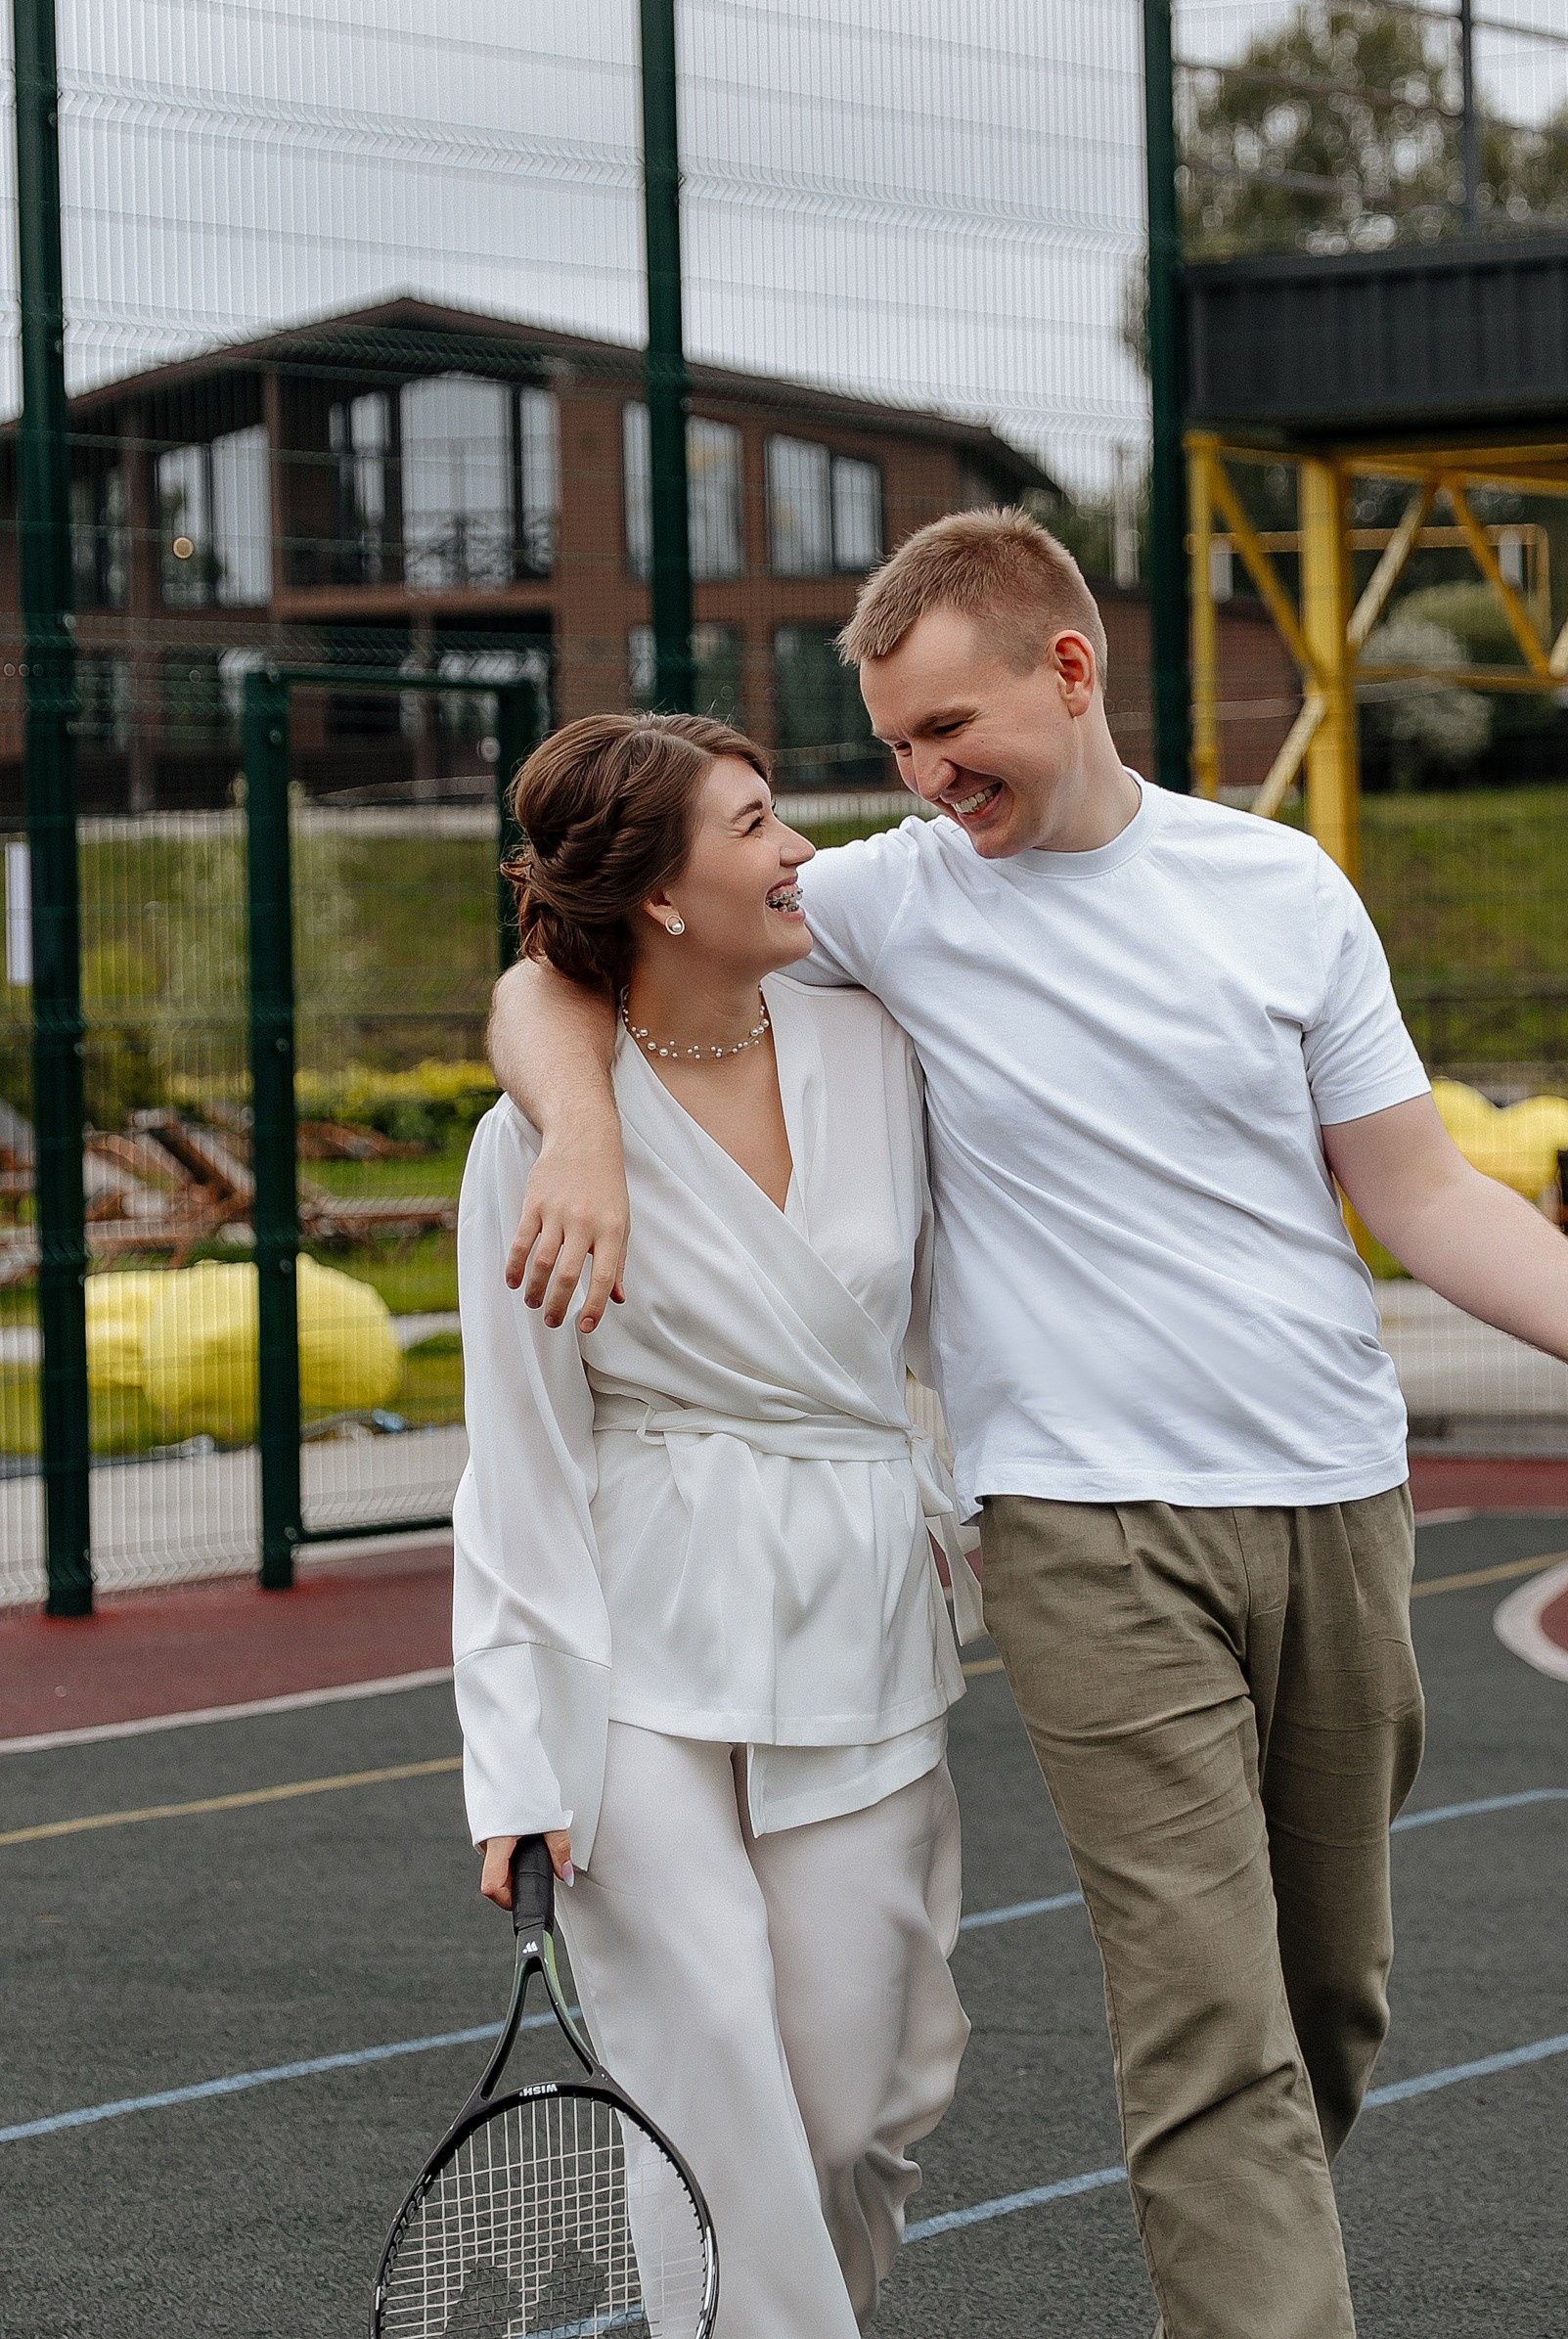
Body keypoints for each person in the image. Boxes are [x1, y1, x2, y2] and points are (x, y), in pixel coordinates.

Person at [487, 513, 1568, 2339]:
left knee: (1324, 2002)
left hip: (1334, 1502)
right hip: (1078, 1533)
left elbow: (1424, 1191)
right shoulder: (891, 903)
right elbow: (567, 964)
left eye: (948, 731)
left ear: (1069, 673)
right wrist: (582, 1138)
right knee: (1204, 2026)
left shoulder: (1283, 888)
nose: (919, 780)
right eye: (898, 746)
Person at [452, 710, 976, 2339]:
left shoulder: (879, 1052)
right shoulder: (524, 1143)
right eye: (754, 823)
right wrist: (520, 1761)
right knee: (709, 2080)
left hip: (863, 1622)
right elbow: (521, 1458)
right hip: (630, 1658)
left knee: (852, 2113)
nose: (799, 847)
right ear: (663, 896)